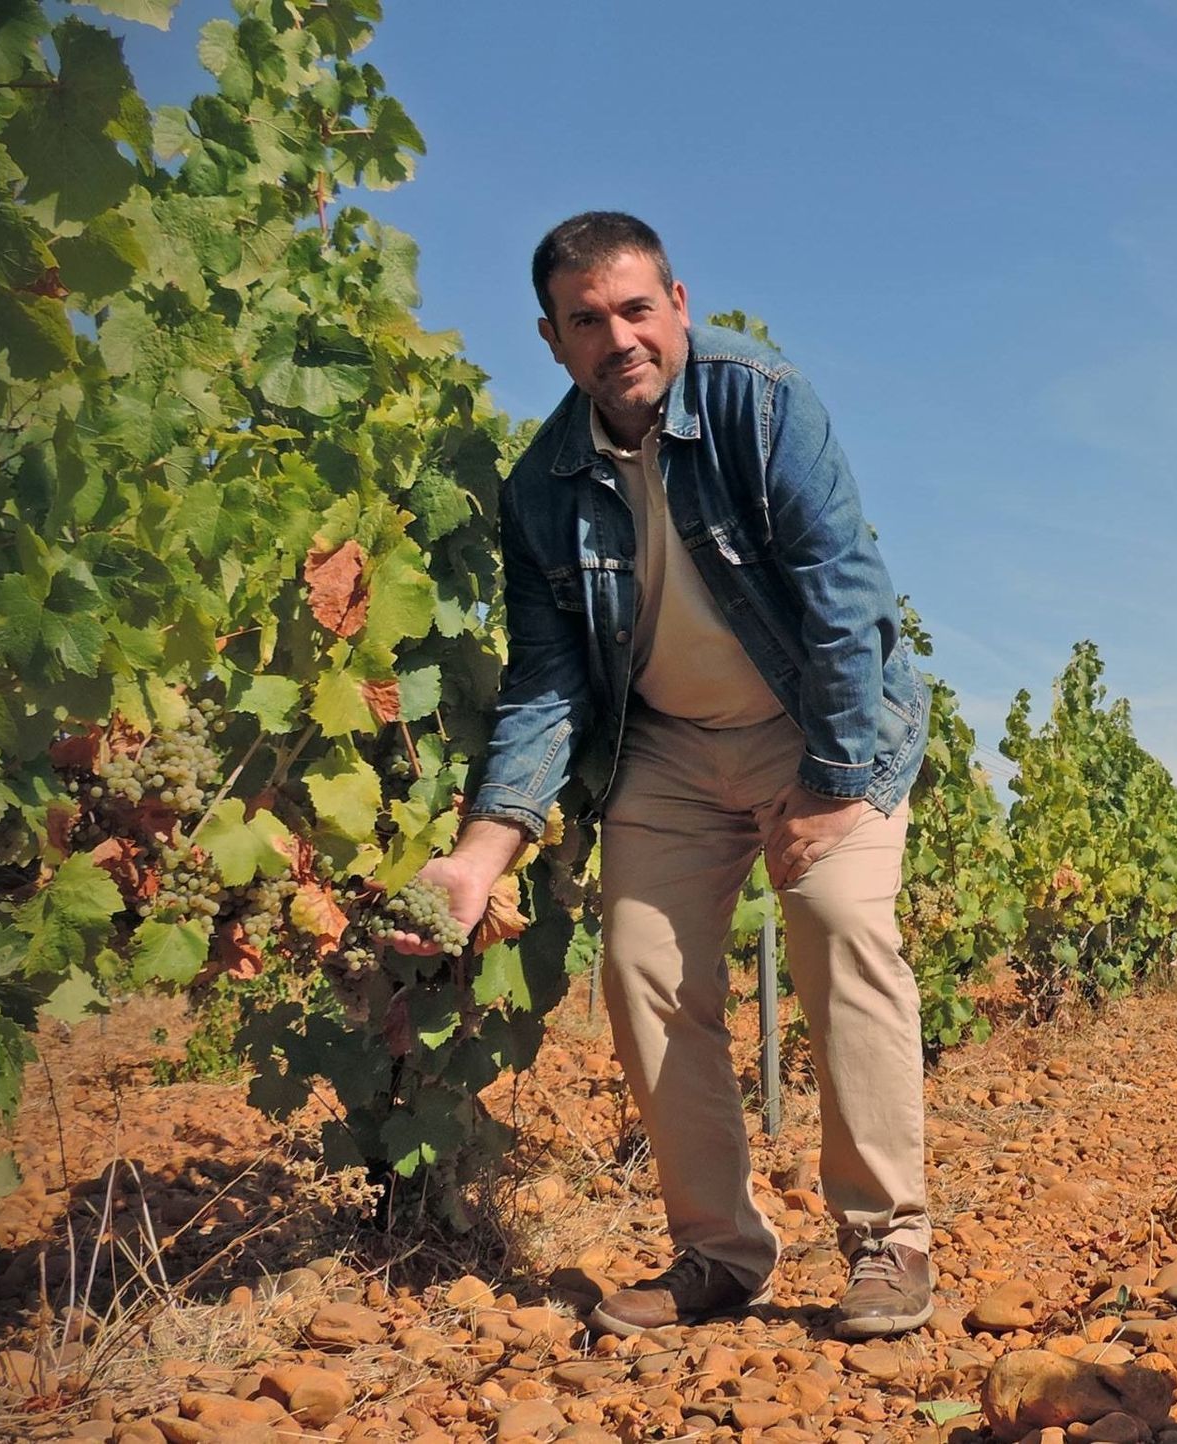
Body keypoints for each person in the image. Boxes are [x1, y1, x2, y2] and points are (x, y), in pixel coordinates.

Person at [394, 212, 933, 1339]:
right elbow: (550, 683)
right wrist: (483, 852)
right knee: (639, 966)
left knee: (841, 924)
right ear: (552, 339)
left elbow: (846, 599)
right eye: (588, 320)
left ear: (677, 304)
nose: (619, 337)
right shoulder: (541, 485)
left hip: (821, 722)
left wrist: (832, 786)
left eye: (637, 309)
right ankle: (720, 1254)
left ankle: (888, 1241)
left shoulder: (761, 401)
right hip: (673, 747)